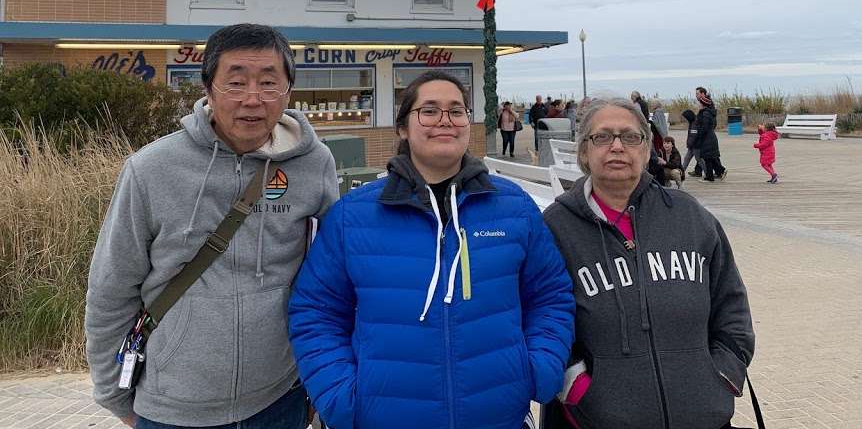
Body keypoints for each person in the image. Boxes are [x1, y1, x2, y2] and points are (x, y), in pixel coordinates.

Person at [288, 70, 576, 429]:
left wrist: (538, 370)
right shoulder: (354, 216)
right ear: (403, 128)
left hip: (498, 414)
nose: (445, 121)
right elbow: (316, 312)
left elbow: (550, 296)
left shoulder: (512, 207)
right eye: (429, 110)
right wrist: (341, 398)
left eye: (457, 111)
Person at [85, 23, 339, 429]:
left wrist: (320, 386)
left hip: (281, 398)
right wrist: (115, 395)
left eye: (269, 83)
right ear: (208, 88)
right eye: (235, 83)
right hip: (172, 407)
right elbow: (111, 287)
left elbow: (333, 282)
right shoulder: (151, 169)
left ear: (289, 90)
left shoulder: (314, 164)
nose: (253, 99)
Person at [541, 97, 755, 429]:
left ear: (646, 149)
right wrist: (578, 388)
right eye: (602, 137)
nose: (616, 146)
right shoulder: (554, 227)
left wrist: (724, 374)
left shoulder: (689, 215)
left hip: (701, 416)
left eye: (629, 137)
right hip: (598, 420)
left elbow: (732, 304)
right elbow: (540, 318)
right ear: (584, 151)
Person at [695, 87, 727, 182]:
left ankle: (713, 175)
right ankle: (717, 172)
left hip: (708, 138)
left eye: (699, 104)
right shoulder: (707, 112)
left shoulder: (705, 114)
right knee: (710, 157)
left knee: (709, 157)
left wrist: (699, 135)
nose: (698, 105)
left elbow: (704, 127)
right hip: (710, 137)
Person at [680, 109, 702, 178]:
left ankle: (708, 173)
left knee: (700, 160)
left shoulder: (694, 123)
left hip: (695, 146)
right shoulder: (693, 122)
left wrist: (689, 144)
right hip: (692, 146)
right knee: (686, 158)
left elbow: (693, 136)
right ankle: (681, 172)